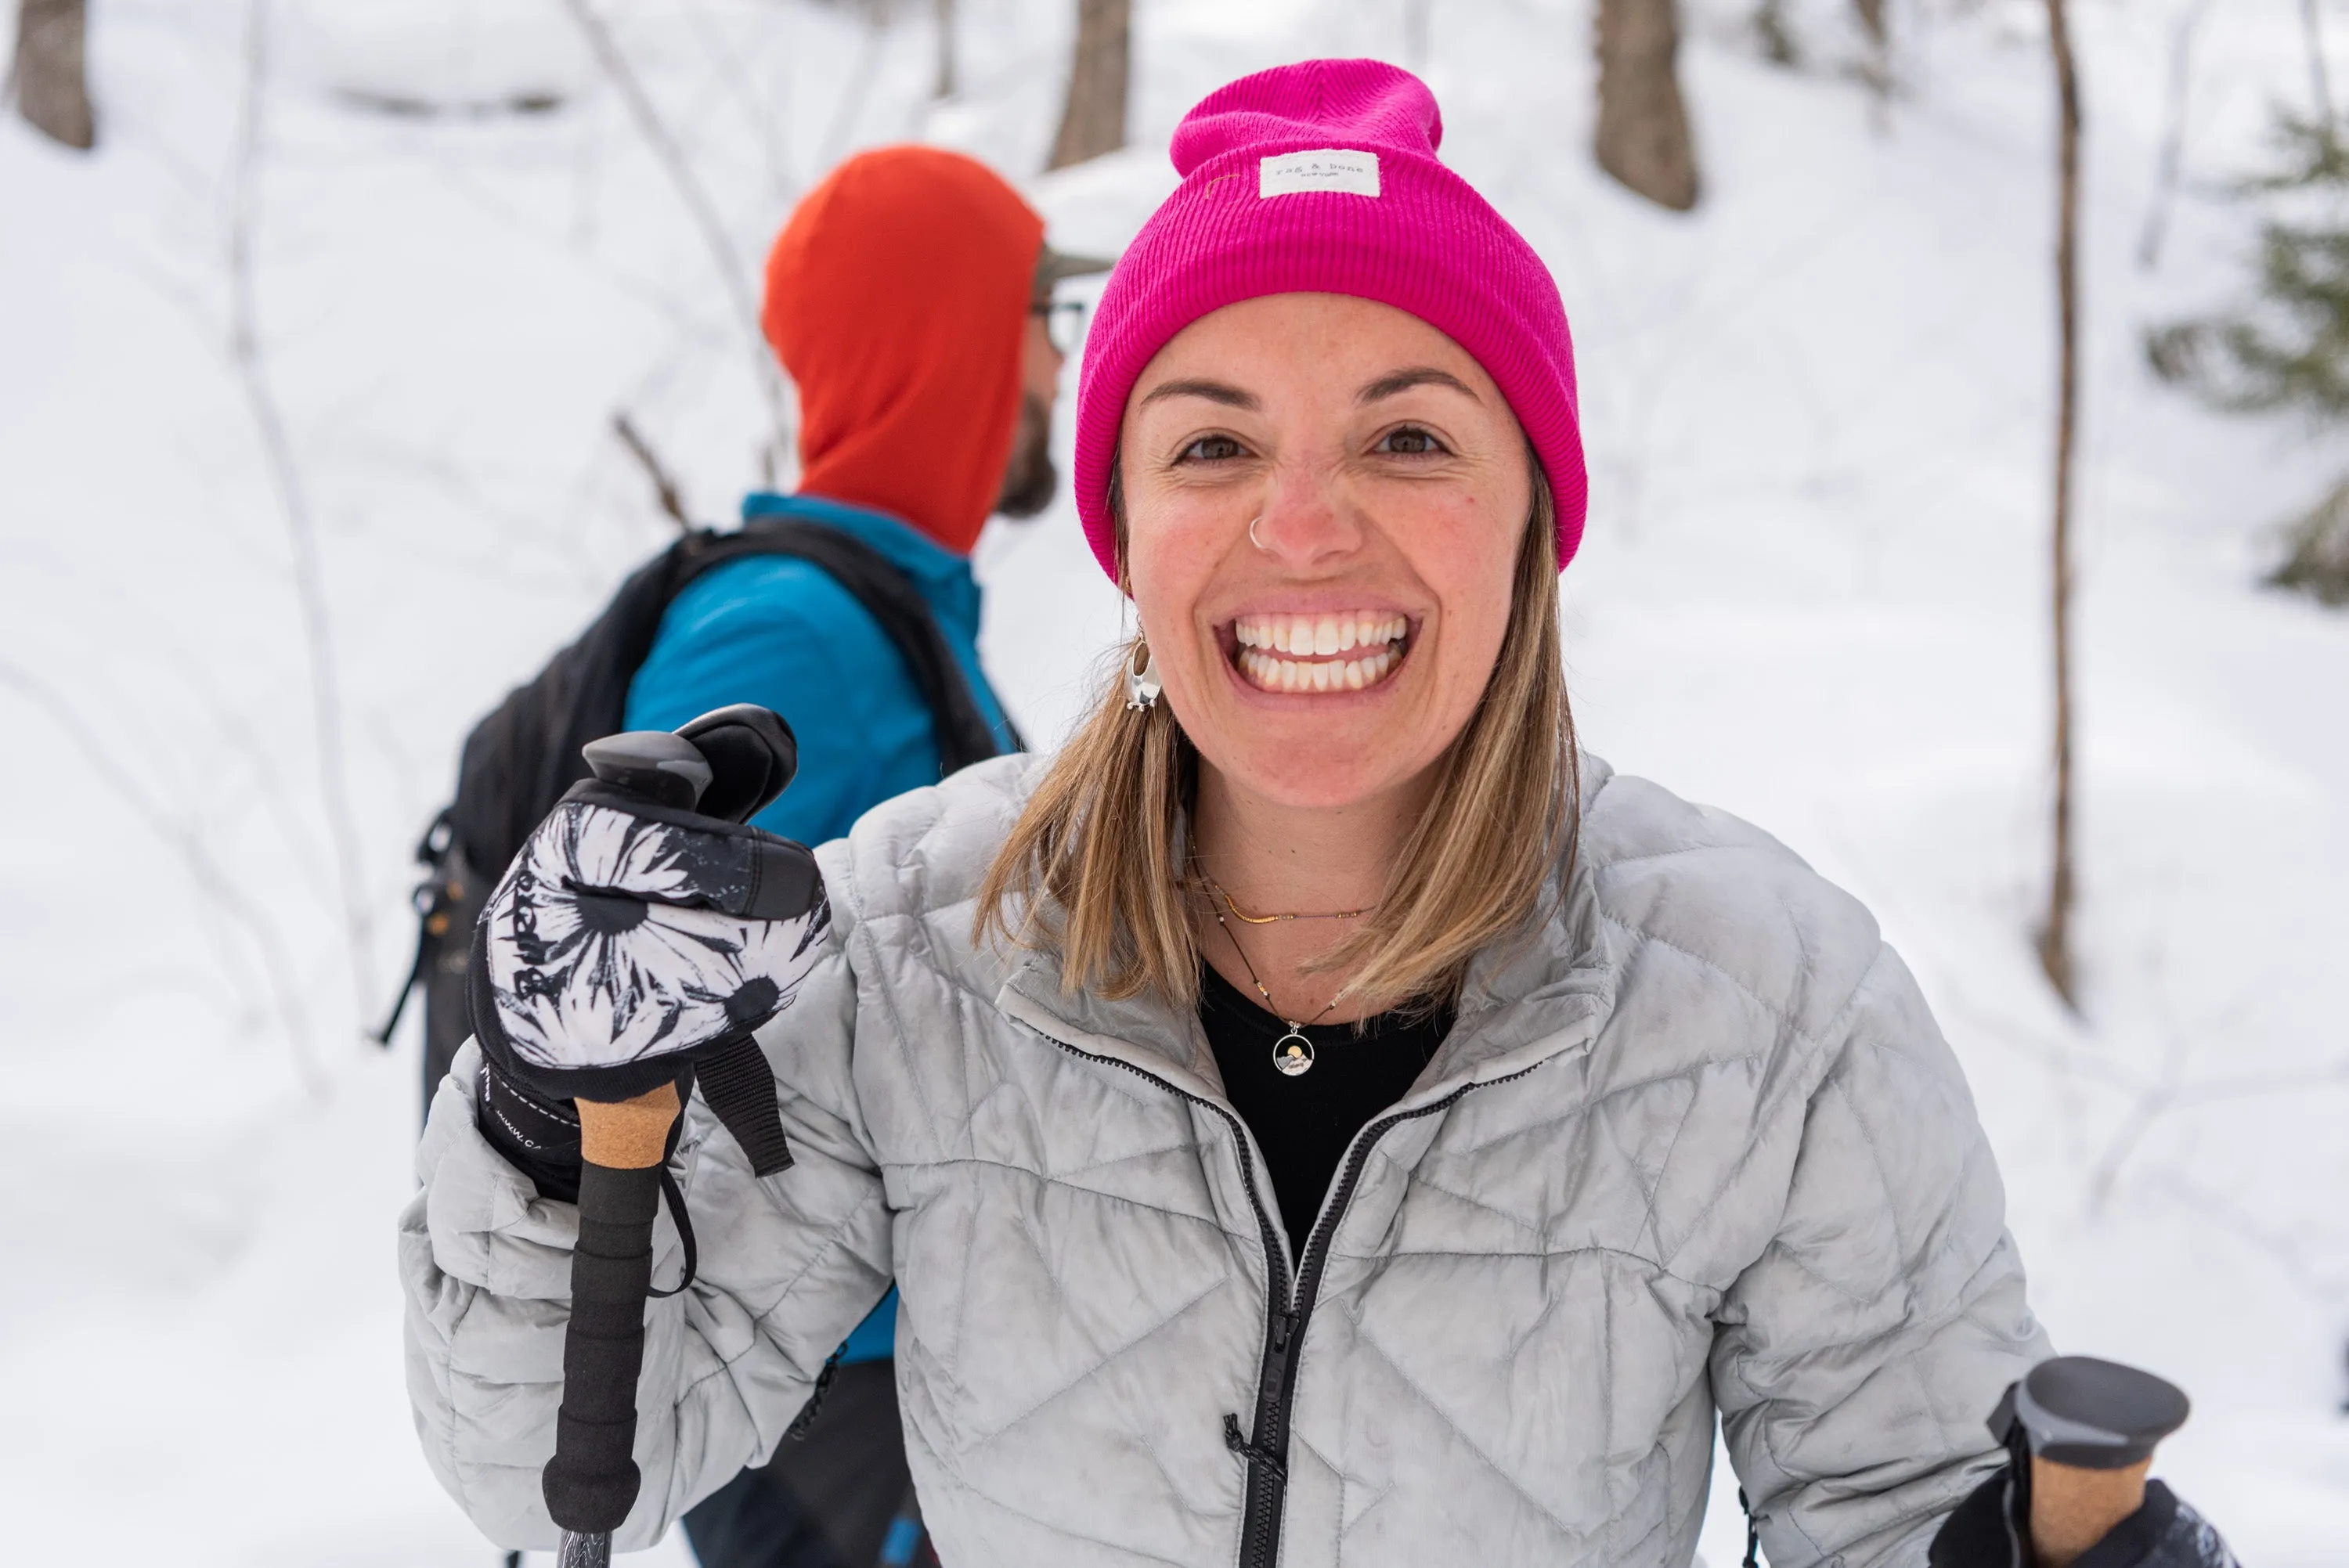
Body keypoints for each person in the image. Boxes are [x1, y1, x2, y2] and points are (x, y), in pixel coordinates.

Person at [406, 61, 2235, 1568]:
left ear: (1534, 514)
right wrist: (542, 1107)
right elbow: (571, 1461)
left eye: (1410, 435)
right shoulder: (917, 938)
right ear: (1130, 531)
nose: (1301, 527)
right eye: (1210, 443)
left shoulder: (1776, 1012)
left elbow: (1904, 1511)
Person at [621, 146, 1104, 1568]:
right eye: (1038, 321)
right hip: (835, 1406)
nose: (1055, 366)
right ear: (949, 335)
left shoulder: (887, 618)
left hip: (896, 1379)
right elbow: (643, 1003)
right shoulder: (785, 636)